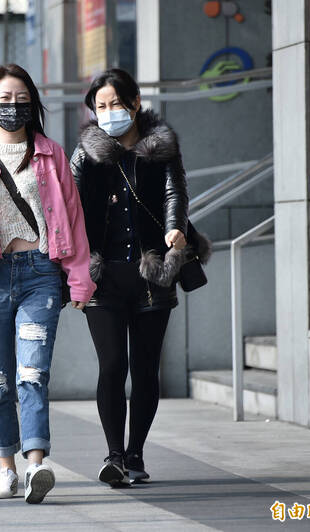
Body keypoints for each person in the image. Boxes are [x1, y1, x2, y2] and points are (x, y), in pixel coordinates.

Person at [0, 64, 95, 504]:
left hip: (40, 276)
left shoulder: (51, 155)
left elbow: (74, 218)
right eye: (4, 99)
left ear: (33, 103)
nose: (13, 106)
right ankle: (5, 469)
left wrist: (80, 281)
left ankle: (36, 466)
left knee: (32, 374)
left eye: (21, 98)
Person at [70, 68, 205, 487]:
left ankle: (136, 453)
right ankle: (113, 455)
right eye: (101, 106)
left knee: (145, 369)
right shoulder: (85, 155)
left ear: (135, 103)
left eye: (116, 104)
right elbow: (69, 208)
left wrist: (175, 228)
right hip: (103, 276)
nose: (109, 112)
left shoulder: (161, 147)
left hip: (152, 274)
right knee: (112, 365)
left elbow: (174, 191)